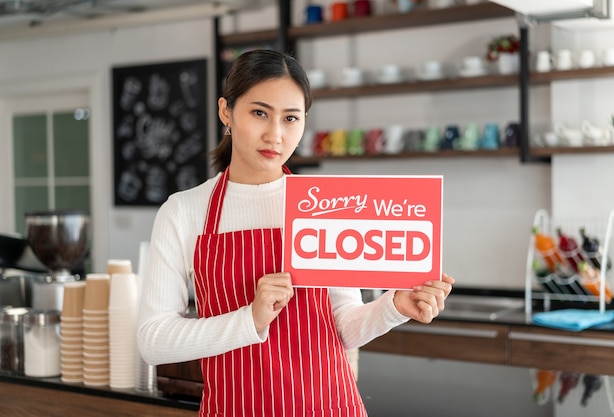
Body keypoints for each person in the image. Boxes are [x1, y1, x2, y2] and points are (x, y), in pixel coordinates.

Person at [137, 49, 455, 417]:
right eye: (259, 113)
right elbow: (153, 340)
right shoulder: (184, 212)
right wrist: (249, 319)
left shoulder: (326, 205)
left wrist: (394, 307)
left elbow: (342, 327)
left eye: (290, 118)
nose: (275, 134)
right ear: (226, 111)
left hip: (331, 406)